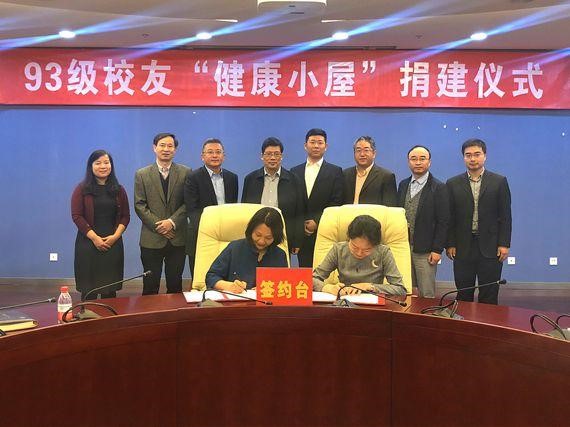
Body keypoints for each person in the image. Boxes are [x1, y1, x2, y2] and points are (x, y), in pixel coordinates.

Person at [446, 138, 512, 305]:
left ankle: (487, 322)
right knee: (463, 293)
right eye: (468, 155)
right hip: (462, 246)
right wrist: (450, 243)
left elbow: (505, 216)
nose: (473, 159)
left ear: (485, 156)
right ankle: (464, 321)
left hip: (491, 246)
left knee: (489, 293)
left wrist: (504, 244)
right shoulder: (452, 183)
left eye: (477, 154)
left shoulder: (499, 181)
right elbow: (450, 217)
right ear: (463, 157)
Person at [134, 132, 190, 295]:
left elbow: (189, 202)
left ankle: (175, 312)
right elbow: (139, 205)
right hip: (151, 238)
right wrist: (160, 226)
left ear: (175, 149)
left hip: (177, 237)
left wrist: (171, 222)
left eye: (170, 146)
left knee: (175, 284)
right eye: (162, 145)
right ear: (154, 148)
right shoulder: (142, 174)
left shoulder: (186, 172)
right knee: (150, 285)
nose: (166, 149)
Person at [71, 150, 130, 300]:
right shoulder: (81, 189)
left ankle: (109, 316)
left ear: (111, 165)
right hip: (88, 243)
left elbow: (125, 216)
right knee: (89, 290)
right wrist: (95, 238)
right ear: (91, 166)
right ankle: (87, 315)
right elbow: (77, 216)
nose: (103, 166)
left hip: (113, 244)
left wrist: (115, 236)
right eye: (98, 163)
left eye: (106, 162)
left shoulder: (119, 190)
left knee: (110, 290)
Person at [398, 145, 449, 298]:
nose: (418, 162)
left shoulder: (439, 187)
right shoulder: (403, 185)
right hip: (403, 247)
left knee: (426, 293)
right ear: (408, 162)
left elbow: (443, 221)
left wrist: (437, 249)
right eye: (414, 159)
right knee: (405, 291)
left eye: (422, 159)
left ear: (429, 162)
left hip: (425, 250)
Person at [313, 215, 406, 296]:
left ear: (376, 245)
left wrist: (370, 287)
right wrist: (326, 287)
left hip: (372, 304)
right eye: (354, 247)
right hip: (345, 301)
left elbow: (400, 289)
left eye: (367, 250)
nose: (359, 253)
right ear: (349, 239)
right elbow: (312, 279)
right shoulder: (338, 250)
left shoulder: (383, 252)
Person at [184, 138, 238, 278]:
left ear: (223, 156)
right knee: (200, 278)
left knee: (225, 277)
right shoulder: (193, 177)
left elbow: (232, 207)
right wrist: (209, 231)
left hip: (226, 235)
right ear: (202, 156)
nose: (214, 155)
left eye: (218, 152)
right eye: (210, 152)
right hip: (201, 235)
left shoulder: (232, 178)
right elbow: (192, 210)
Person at [291, 128, 344, 268]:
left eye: (320, 142)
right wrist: (299, 227)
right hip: (301, 233)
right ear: (305, 145)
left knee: (325, 271)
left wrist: (317, 221)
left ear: (326, 146)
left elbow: (337, 201)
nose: (316, 146)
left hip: (325, 230)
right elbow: (293, 203)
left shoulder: (335, 171)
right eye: (312, 142)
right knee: (305, 271)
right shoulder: (294, 171)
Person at [241, 137, 303, 254]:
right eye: (268, 154)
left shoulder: (294, 180)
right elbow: (244, 209)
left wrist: (297, 241)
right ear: (262, 156)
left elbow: (299, 212)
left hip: (283, 235)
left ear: (281, 156)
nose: (273, 158)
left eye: (276, 154)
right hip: (256, 235)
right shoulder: (250, 179)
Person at [206, 207, 289, 292]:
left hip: (265, 300)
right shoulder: (234, 248)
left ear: (276, 237)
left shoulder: (280, 255)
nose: (261, 241)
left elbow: (285, 285)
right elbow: (211, 277)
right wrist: (228, 286)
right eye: (258, 235)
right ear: (251, 230)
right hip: (236, 299)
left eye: (268, 238)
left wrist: (269, 289)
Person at [343, 136, 398, 206]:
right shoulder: (345, 174)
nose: (362, 154)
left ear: (374, 153)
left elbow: (390, 206)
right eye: (358, 150)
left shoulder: (386, 176)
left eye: (366, 150)